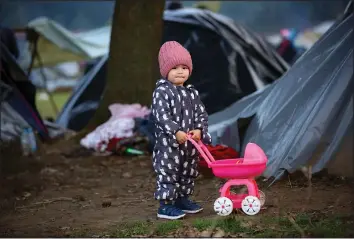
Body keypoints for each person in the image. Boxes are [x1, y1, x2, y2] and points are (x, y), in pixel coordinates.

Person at [151, 41, 212, 220]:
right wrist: (176, 131)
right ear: (165, 70)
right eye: (174, 67)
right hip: (169, 145)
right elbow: (161, 116)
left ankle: (182, 199)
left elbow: (201, 113)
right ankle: (165, 205)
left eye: (184, 67)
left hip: (189, 145)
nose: (180, 71)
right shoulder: (162, 92)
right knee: (169, 172)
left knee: (188, 171)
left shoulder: (192, 93)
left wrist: (199, 130)